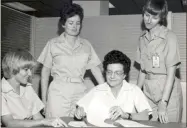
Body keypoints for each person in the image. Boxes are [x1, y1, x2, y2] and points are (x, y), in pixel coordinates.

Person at [37, 3, 104, 118]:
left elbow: (96, 70)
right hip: (58, 91)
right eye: (71, 23)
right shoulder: (53, 44)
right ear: (63, 24)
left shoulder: (86, 45)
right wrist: (44, 99)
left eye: (78, 23)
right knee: (56, 123)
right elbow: (45, 73)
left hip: (80, 91)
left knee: (79, 124)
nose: (75, 26)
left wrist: (106, 91)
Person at [74, 50, 152, 124]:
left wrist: (126, 115)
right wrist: (80, 111)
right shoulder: (97, 90)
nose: (112, 76)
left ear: (124, 75)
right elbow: (82, 107)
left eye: (117, 73)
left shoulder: (134, 90)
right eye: (109, 72)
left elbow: (146, 116)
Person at [136, 0, 183, 123]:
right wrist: (135, 94)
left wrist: (164, 101)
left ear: (161, 17)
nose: (149, 20)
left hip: (167, 90)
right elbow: (142, 71)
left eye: (154, 17)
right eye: (147, 15)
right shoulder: (142, 39)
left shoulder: (169, 37)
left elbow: (171, 73)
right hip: (148, 89)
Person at [1, 49, 67, 127]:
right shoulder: (2, 91)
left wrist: (50, 123)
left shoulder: (28, 88)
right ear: (12, 69)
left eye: (30, 69)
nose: (30, 74)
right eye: (26, 70)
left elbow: (37, 117)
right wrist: (43, 121)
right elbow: (9, 123)